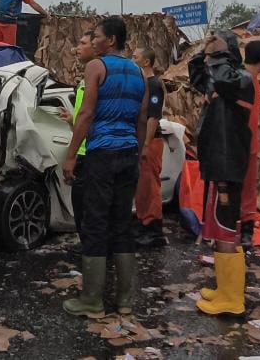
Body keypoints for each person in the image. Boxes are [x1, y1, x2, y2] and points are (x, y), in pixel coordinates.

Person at [61, 17, 149, 317]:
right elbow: (141, 120)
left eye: (96, 36)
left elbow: (86, 114)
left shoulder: (97, 67)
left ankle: (92, 301)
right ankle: (125, 301)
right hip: (128, 154)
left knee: (95, 224)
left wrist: (71, 155)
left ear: (110, 40)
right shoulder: (139, 72)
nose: (93, 41)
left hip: (101, 154)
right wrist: (136, 156)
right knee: (122, 224)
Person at [189, 30, 256, 316]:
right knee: (218, 229)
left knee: (227, 230)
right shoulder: (221, 77)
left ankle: (232, 299)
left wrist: (218, 54)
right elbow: (197, 78)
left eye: (215, 40)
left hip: (228, 163)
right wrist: (203, 52)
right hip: (218, 162)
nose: (210, 43)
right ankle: (224, 289)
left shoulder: (240, 78)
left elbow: (222, 80)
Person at [58, 31, 97, 244]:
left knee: (87, 207)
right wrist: (72, 119)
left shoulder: (97, 77)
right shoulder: (86, 79)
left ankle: (94, 254)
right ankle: (90, 248)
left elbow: (90, 117)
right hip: (84, 152)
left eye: (82, 43)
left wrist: (71, 156)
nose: (77, 48)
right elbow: (84, 117)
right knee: (81, 206)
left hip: (91, 153)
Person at [239, 40, 260, 253]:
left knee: (244, 190)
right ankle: (243, 231)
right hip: (242, 144)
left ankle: (242, 230)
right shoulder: (245, 81)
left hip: (245, 143)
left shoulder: (250, 80)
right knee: (244, 191)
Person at [132, 47, 168, 249]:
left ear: (146, 62)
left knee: (150, 185)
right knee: (142, 187)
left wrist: (145, 143)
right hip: (142, 140)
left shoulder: (153, 85)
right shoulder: (142, 84)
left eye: (135, 57)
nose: (132, 59)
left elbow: (153, 117)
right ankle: (143, 222)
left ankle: (154, 230)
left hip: (151, 141)